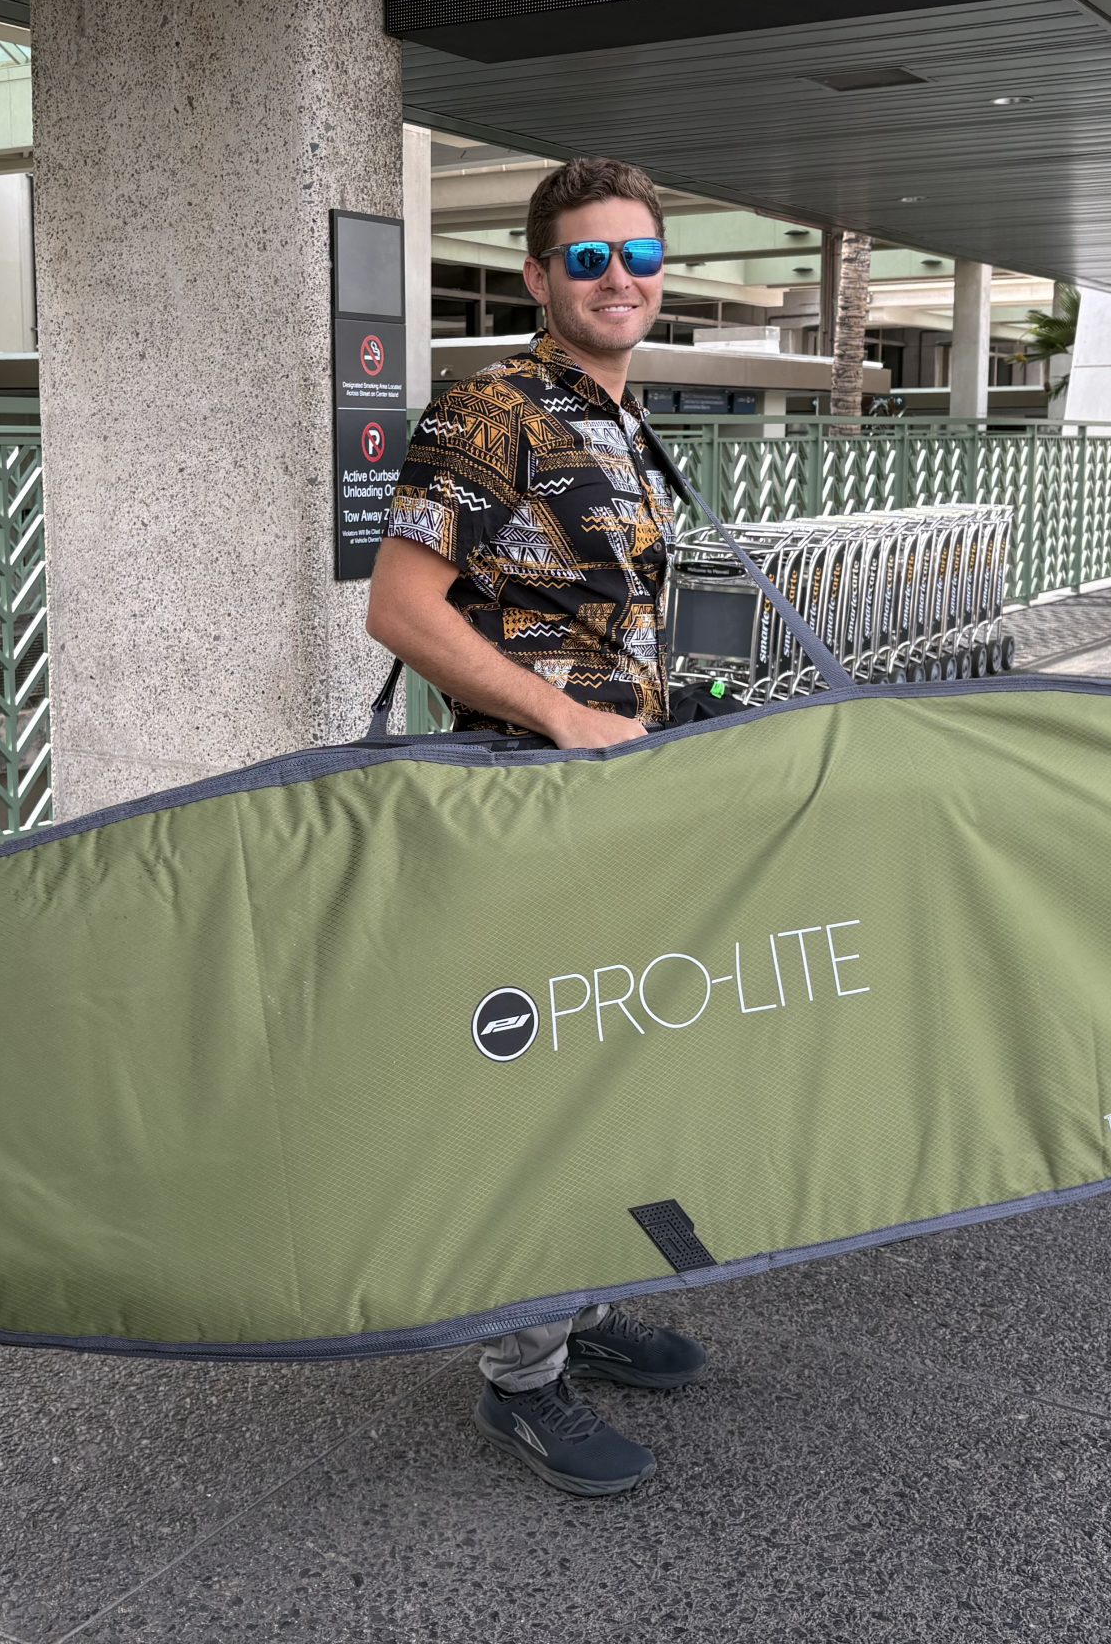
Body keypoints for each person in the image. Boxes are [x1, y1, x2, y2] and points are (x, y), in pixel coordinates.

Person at [366, 156, 707, 1497]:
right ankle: (523, 1378)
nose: (617, 280)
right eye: (588, 259)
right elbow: (400, 610)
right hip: (519, 802)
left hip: (613, 810)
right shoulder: (491, 413)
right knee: (540, 1080)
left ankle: (583, 1301)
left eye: (637, 257)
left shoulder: (620, 421)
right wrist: (563, 721)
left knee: (616, 1060)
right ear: (537, 277)